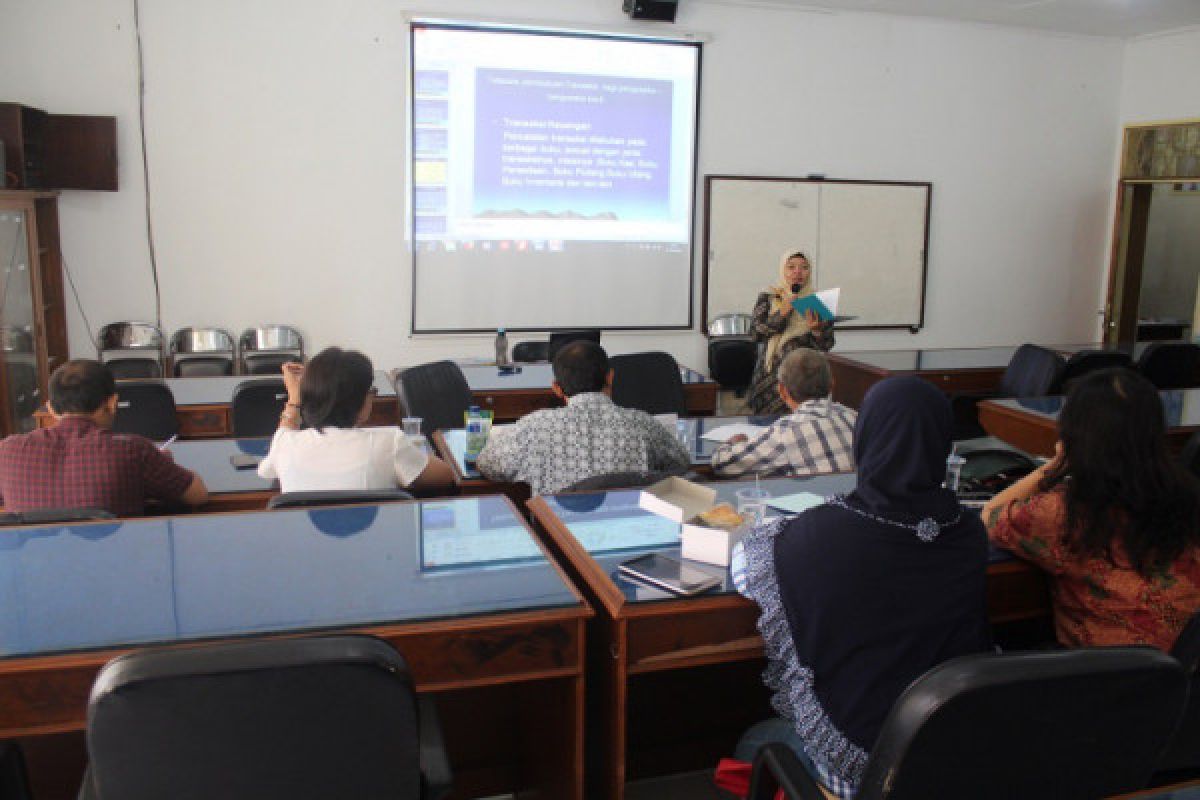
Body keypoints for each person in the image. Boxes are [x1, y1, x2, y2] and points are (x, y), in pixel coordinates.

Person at [730, 376, 990, 796]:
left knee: (756, 741)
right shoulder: (968, 534)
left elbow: (745, 569)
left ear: (865, 439)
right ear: (944, 445)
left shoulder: (817, 536)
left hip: (861, 767)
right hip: (949, 755)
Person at [984, 368, 1200, 651]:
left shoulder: (1066, 513)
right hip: (1179, 675)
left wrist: (1056, 464)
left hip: (1105, 680)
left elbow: (990, 516)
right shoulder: (1187, 493)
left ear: (1076, 434)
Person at [475, 341, 690, 494]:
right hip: (627, 537)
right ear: (611, 377)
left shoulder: (532, 428)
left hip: (558, 541)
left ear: (557, 389)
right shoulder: (644, 425)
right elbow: (682, 465)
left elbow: (488, 463)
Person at [0, 359, 208, 516]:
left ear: (51, 408)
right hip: (115, 567)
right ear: (112, 403)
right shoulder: (132, 450)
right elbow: (198, 494)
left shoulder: (7, 451)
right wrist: (160, 462)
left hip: (34, 569)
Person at [257, 347, 456, 494]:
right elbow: (446, 476)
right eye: (370, 392)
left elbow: (269, 468)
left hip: (310, 549)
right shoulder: (389, 442)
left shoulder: (286, 444)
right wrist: (417, 451)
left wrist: (293, 400)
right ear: (359, 400)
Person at [711, 349, 855, 478]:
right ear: (832, 385)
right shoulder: (855, 417)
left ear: (782, 391)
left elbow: (722, 464)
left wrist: (731, 442)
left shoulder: (785, 432)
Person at [747, 250, 835, 415]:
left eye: (804, 267)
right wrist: (782, 313)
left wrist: (816, 331)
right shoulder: (770, 297)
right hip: (770, 379)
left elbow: (827, 344)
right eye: (791, 267)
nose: (798, 272)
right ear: (783, 271)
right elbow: (755, 333)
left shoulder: (817, 302)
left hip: (804, 380)